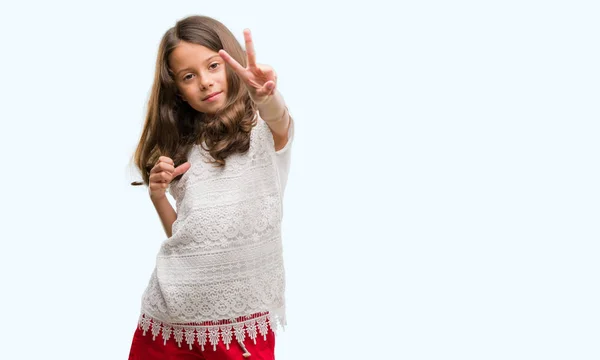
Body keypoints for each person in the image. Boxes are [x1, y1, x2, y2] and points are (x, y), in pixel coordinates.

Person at [127, 15, 294, 360]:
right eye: (189, 76)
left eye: (213, 65)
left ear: (229, 62)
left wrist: (267, 98)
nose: (205, 82)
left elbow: (281, 120)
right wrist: (158, 195)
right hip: (169, 314)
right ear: (178, 92)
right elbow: (187, 233)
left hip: (240, 324)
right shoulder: (184, 147)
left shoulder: (264, 132)